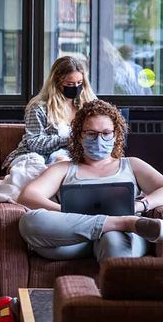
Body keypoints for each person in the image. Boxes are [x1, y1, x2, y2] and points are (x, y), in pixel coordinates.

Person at [18, 100, 163, 261]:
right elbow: (27, 197)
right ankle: (123, 222)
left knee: (114, 239)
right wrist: (67, 213)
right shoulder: (63, 168)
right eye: (91, 133)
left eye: (106, 133)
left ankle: (117, 227)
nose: (99, 139)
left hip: (118, 238)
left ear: (116, 135)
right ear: (79, 136)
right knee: (29, 221)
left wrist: (141, 204)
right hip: (72, 240)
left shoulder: (132, 164)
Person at [3, 55, 96, 171]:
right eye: (69, 84)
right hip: (33, 157)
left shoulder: (87, 106)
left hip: (67, 157)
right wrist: (68, 139)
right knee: (41, 167)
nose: (76, 88)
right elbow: (34, 143)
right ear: (57, 83)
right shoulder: (38, 107)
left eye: (79, 83)